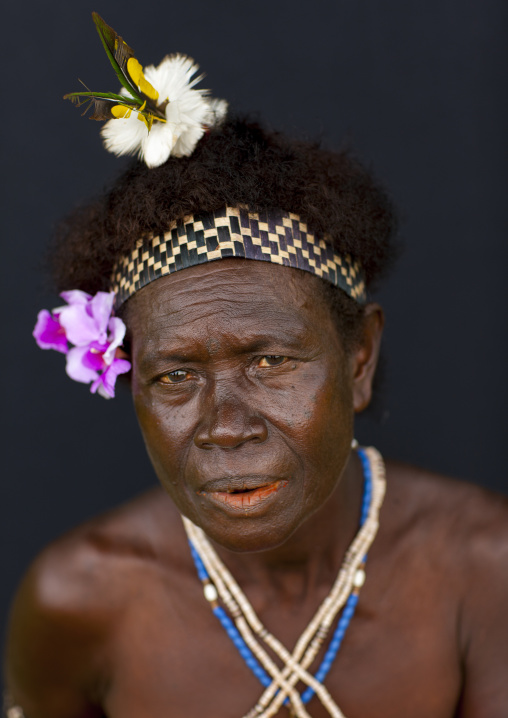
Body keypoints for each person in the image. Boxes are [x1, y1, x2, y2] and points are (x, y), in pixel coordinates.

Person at [4, 16, 508, 718]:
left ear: (358, 358)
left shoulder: (483, 571)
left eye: (270, 360)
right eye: (176, 375)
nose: (226, 428)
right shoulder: (80, 602)